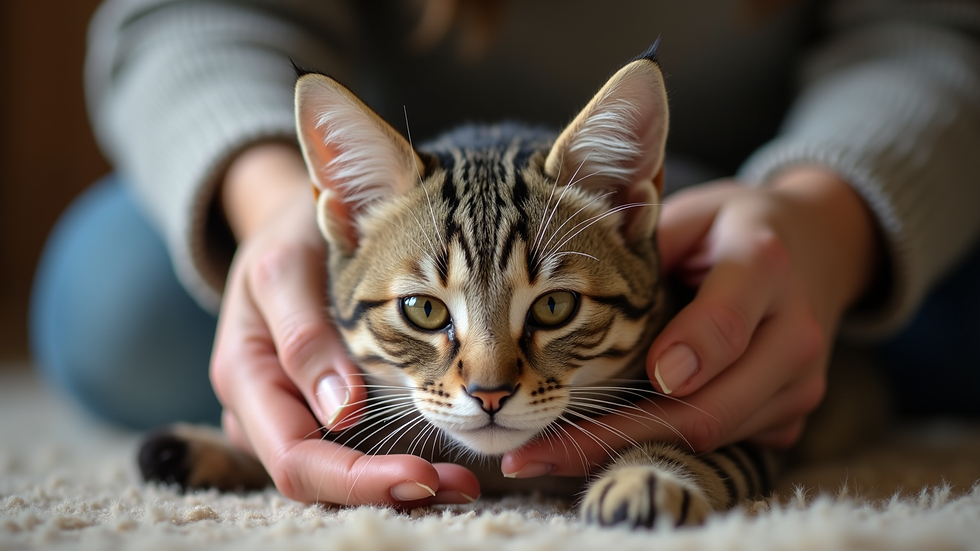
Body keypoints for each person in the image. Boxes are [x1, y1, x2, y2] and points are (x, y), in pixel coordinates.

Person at [31, 0, 980, 505]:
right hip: (413, 175)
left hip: (789, 178)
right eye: (430, 319)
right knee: (113, 303)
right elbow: (185, 13)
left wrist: (833, 220)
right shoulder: (365, 242)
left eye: (551, 313)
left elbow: (939, 30)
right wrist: (266, 196)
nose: (487, 382)